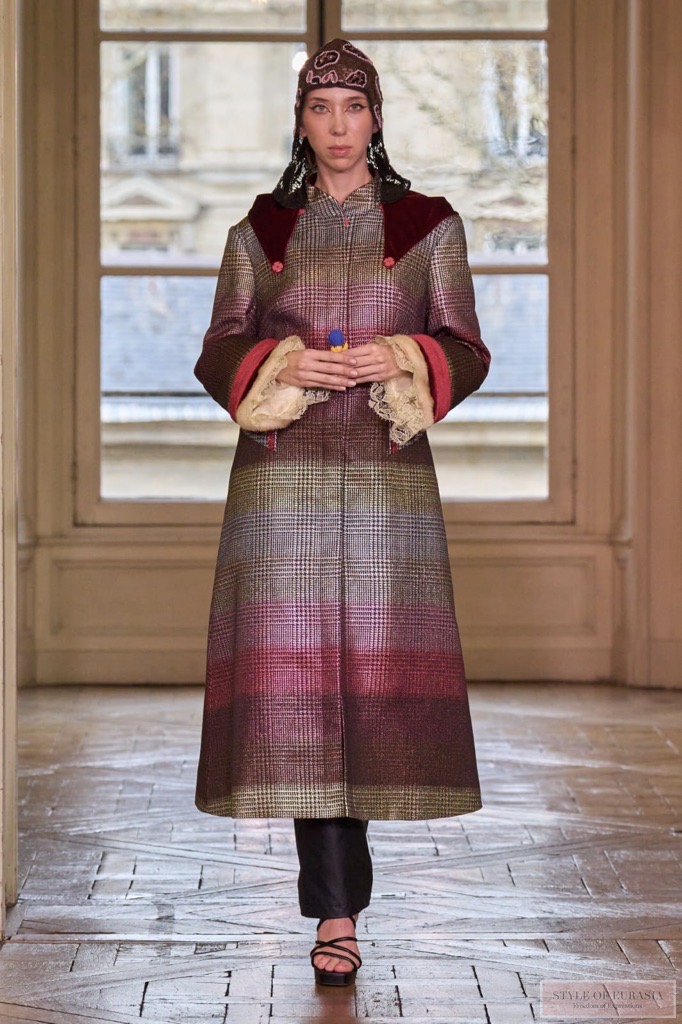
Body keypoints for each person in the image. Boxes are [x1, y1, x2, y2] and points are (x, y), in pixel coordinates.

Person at [193, 38, 491, 987]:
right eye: (319, 108)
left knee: (368, 681)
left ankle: (343, 899)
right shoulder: (261, 231)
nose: (336, 126)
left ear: (376, 118)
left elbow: (467, 348)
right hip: (280, 479)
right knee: (299, 692)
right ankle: (336, 913)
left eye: (352, 108)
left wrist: (401, 355)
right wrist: (283, 366)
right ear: (301, 121)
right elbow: (219, 348)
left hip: (385, 475)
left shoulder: (430, 227)